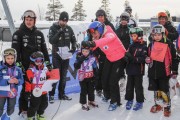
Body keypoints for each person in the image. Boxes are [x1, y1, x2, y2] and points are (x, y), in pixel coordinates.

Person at [11, 10, 50, 115]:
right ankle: (23, 110)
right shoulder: (18, 34)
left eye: (31, 20)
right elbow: (15, 53)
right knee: (25, 89)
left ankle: (37, 108)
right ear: (24, 20)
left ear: (34, 21)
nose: (28, 22)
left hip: (39, 67)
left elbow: (45, 50)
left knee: (39, 87)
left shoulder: (39, 34)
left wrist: (48, 63)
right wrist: (19, 66)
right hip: (25, 68)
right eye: (27, 20)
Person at [82, 21, 126, 111]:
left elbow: (105, 40)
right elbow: (92, 47)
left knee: (113, 81)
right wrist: (84, 48)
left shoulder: (109, 33)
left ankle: (115, 101)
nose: (94, 35)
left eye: (95, 33)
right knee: (104, 78)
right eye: (92, 34)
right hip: (110, 58)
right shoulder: (99, 37)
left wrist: (93, 43)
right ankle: (107, 96)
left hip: (120, 58)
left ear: (101, 30)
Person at [145, 24, 178, 117]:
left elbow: (175, 58)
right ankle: (158, 104)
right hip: (152, 71)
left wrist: (174, 71)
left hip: (164, 72)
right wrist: (147, 59)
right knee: (156, 89)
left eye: (159, 35)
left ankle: (167, 106)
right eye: (155, 35)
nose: (157, 37)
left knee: (164, 89)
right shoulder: (151, 44)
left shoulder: (169, 44)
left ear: (163, 34)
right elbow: (148, 56)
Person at [48, 11, 77, 103]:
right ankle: (51, 95)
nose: (64, 23)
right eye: (62, 21)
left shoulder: (69, 28)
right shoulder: (53, 28)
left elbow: (74, 40)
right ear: (59, 20)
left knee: (63, 77)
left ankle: (62, 94)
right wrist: (59, 32)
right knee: (56, 77)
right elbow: (51, 41)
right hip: (56, 56)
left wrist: (74, 47)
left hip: (66, 56)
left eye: (66, 21)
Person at [93, 9, 116, 97]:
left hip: (109, 52)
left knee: (109, 72)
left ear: (105, 17)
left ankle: (109, 89)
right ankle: (99, 88)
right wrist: (96, 53)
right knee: (101, 72)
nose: (100, 18)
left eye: (102, 16)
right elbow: (92, 39)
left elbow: (115, 38)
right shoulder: (94, 25)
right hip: (100, 53)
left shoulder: (109, 25)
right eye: (98, 17)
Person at [124, 27, 147, 111]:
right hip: (130, 70)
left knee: (138, 87)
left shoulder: (143, 46)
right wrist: (126, 58)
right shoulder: (131, 45)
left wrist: (132, 58)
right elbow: (127, 55)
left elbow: (143, 59)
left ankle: (139, 101)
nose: (132, 37)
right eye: (131, 36)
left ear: (139, 36)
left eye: (134, 36)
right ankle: (129, 100)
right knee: (129, 86)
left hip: (138, 70)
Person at [25, 51, 50, 120]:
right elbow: (28, 82)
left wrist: (50, 78)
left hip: (44, 91)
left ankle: (40, 114)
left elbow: (49, 76)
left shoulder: (45, 69)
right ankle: (31, 115)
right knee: (34, 104)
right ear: (33, 61)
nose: (39, 62)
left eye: (41, 60)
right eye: (37, 61)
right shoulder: (31, 70)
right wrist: (28, 92)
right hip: (35, 91)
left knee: (44, 104)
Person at [0, 48, 24, 120]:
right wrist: (7, 81)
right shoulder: (0, 68)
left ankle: (6, 117)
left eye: (12, 58)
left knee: (11, 109)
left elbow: (21, 80)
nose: (10, 60)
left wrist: (17, 81)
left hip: (12, 93)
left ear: (15, 58)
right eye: (8, 58)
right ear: (4, 58)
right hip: (1, 93)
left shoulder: (18, 69)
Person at [74, 45, 98, 111]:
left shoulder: (92, 58)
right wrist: (80, 60)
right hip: (83, 78)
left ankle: (91, 100)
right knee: (83, 90)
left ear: (89, 52)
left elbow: (95, 68)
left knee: (91, 90)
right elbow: (76, 67)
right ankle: (83, 103)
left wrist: (96, 77)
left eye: (86, 51)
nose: (84, 52)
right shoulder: (78, 58)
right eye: (83, 51)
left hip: (90, 77)